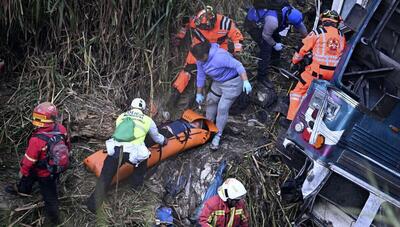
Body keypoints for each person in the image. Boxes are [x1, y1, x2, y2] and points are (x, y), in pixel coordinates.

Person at [86, 98, 168, 213]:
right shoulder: (147, 120)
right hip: (134, 153)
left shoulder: (122, 116)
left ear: (131, 106)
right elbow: (156, 137)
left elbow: (122, 132)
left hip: (116, 150)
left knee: (105, 177)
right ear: (143, 109)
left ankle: (92, 205)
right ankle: (135, 188)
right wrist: (164, 141)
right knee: (141, 165)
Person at [5, 102, 71, 225]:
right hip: (55, 167)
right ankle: (23, 189)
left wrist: (23, 171)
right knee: (37, 179)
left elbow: (29, 160)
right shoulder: (61, 129)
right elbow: (67, 145)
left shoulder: (37, 139)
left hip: (43, 172)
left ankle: (55, 220)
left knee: (49, 196)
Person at [170, 6, 244, 108]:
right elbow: (184, 24)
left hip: (219, 48)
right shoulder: (196, 20)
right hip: (199, 47)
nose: (203, 29)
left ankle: (215, 88)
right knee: (188, 69)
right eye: (201, 27)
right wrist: (179, 36)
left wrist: (235, 52)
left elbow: (238, 38)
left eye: (205, 27)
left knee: (221, 68)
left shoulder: (225, 23)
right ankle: (175, 93)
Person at [192, 41, 252, 150]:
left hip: (232, 83)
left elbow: (238, 65)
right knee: (210, 101)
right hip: (218, 82)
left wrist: (245, 81)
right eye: (198, 59)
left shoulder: (220, 57)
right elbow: (200, 76)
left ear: (206, 54)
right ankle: (209, 124)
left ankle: (218, 135)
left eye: (201, 58)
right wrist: (199, 93)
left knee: (222, 108)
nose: (199, 61)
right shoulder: (200, 60)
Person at [287, 10, 346, 121]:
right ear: (336, 22)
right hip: (333, 75)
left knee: (297, 93)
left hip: (316, 72)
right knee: (317, 97)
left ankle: (290, 120)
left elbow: (302, 49)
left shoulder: (318, 32)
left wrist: (294, 62)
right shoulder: (342, 36)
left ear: (324, 21)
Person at [245, 4, 308, 88]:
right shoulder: (273, 21)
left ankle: (275, 63)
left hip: (268, 25)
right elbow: (266, 36)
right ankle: (262, 77)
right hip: (254, 25)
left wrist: (307, 40)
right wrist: (274, 45)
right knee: (266, 48)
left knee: (277, 38)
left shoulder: (291, 12)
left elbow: (300, 26)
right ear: (288, 22)